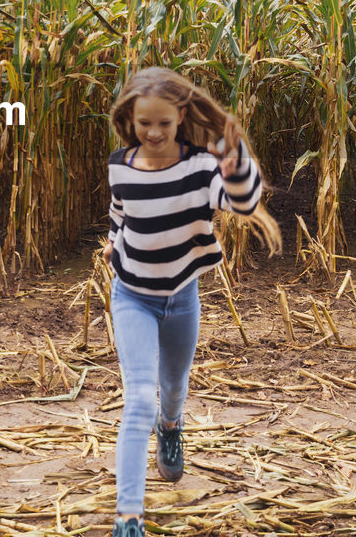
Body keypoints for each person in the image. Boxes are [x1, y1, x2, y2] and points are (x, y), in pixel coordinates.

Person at [101, 67, 281, 537]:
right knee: (138, 396)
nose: (154, 132)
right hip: (131, 295)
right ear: (130, 119)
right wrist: (113, 242)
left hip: (181, 296)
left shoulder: (200, 167)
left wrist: (236, 164)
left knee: (173, 390)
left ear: (181, 116)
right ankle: (129, 518)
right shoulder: (119, 164)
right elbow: (120, 214)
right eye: (144, 124)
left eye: (163, 122)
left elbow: (241, 203)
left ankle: (172, 426)